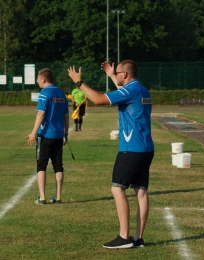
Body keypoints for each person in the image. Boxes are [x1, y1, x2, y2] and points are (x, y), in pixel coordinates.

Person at [68, 60, 154, 249]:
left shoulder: (130, 90)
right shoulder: (141, 90)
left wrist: (78, 82)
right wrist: (110, 76)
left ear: (125, 74)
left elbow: (98, 99)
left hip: (131, 149)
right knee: (141, 192)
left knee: (117, 189)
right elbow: (123, 96)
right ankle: (138, 239)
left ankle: (124, 237)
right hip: (146, 148)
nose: (115, 75)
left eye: (117, 73)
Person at [26, 68, 69, 205]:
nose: (37, 81)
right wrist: (66, 133)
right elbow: (66, 116)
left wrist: (33, 133)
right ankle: (58, 196)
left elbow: (41, 114)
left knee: (41, 165)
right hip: (58, 135)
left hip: (45, 135)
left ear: (43, 79)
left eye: (38, 78)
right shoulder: (61, 94)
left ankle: (42, 197)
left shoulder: (44, 93)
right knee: (58, 166)